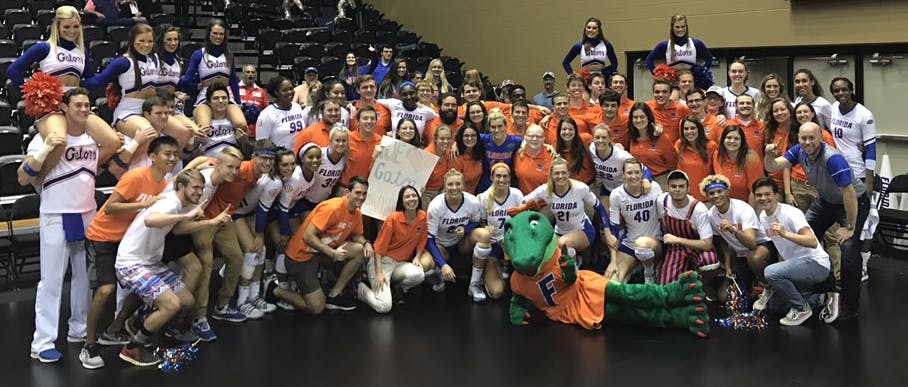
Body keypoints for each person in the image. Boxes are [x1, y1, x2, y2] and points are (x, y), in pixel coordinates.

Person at [18, 88, 102, 363]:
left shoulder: (94, 136)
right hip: (57, 212)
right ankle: (41, 342)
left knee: (82, 277)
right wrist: (44, 150)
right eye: (77, 105)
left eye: (87, 105)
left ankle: (78, 328)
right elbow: (22, 177)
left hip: (86, 212)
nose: (84, 109)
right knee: (52, 280)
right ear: (64, 107)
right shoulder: (47, 134)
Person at [79, 136, 179, 369]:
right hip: (102, 237)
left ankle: (115, 329)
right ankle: (89, 345)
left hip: (127, 243)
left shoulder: (165, 184)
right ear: (152, 156)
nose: (172, 158)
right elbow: (112, 206)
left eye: (175, 154)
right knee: (105, 290)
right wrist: (143, 204)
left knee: (141, 285)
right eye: (167, 153)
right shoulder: (136, 176)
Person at [115, 169, 230, 366]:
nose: (199, 192)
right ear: (180, 187)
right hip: (131, 263)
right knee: (171, 305)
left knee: (186, 301)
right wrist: (186, 217)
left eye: (202, 188)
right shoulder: (169, 202)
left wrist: (211, 222)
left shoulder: (180, 206)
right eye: (195, 187)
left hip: (150, 263)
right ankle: (133, 348)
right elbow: (150, 220)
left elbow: (177, 230)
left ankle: (136, 322)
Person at [764, 122, 869, 321]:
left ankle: (849, 304)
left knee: (848, 249)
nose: (807, 142)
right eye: (804, 138)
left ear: (821, 138)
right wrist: (769, 153)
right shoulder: (799, 150)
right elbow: (773, 166)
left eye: (812, 138)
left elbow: (849, 194)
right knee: (806, 240)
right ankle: (826, 292)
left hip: (852, 202)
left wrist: (850, 227)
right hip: (826, 201)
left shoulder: (833, 159)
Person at [6, 6, 122, 172]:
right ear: (57, 27)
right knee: (59, 142)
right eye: (66, 26)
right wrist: (31, 93)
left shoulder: (82, 52)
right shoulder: (44, 48)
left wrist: (113, 72)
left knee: (113, 142)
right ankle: (44, 178)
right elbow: (13, 70)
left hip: (77, 105)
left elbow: (91, 81)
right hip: (52, 107)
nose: (71, 31)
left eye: (75, 26)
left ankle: (80, 171)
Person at [267, 177, 373, 313]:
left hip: (321, 253)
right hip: (300, 257)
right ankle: (274, 290)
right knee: (317, 308)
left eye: (364, 193)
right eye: (358, 193)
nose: (361, 197)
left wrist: (366, 243)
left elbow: (356, 234)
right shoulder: (332, 208)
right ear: (347, 192)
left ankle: (334, 295)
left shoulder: (357, 213)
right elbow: (308, 236)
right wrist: (332, 253)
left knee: (360, 251)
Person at [752, 177, 836, 326]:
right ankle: (822, 297)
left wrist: (785, 234)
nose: (763, 198)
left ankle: (802, 308)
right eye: (759, 195)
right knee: (776, 305)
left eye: (767, 194)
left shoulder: (791, 213)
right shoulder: (764, 217)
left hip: (816, 264)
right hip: (797, 265)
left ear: (775, 194)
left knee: (770, 272)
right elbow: (780, 246)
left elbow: (811, 241)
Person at [511, 157, 611, 267]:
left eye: (563, 173)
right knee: (546, 252)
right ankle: (574, 259)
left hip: (583, 230)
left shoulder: (580, 188)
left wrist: (607, 230)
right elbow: (523, 200)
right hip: (559, 231)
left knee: (562, 244)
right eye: (556, 173)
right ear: (551, 175)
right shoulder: (545, 190)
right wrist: (523, 207)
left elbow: (599, 206)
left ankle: (574, 267)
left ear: (569, 173)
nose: (560, 176)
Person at [700, 174, 777, 306]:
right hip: (740, 255)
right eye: (711, 193)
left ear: (727, 192)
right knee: (725, 297)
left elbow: (752, 244)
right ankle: (752, 283)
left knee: (755, 257)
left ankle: (769, 287)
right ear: (707, 197)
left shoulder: (742, 209)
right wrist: (728, 266)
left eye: (720, 191)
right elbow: (723, 242)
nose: (716, 195)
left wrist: (733, 230)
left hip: (762, 247)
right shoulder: (711, 215)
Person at [357, 186, 432, 312]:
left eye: (414, 196)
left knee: (419, 274)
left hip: (400, 264)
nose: (411, 199)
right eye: (407, 197)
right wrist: (379, 273)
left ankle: (393, 287)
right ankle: (359, 288)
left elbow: (422, 240)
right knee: (384, 307)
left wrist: (417, 257)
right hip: (381, 263)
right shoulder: (393, 219)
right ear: (401, 201)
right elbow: (379, 249)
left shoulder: (422, 216)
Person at [232, 143, 286, 318]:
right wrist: (258, 235)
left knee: (260, 252)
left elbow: (262, 209)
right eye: (265, 158)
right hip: (235, 213)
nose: (268, 162)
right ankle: (242, 301)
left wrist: (259, 236)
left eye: (271, 159)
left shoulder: (273, 180)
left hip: (248, 212)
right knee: (252, 251)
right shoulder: (245, 169)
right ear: (254, 156)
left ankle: (254, 296)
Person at [424, 170, 489, 299]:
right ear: (444, 186)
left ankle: (474, 284)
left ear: (463, 185)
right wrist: (443, 265)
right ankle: (438, 276)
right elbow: (429, 239)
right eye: (450, 184)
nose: (454, 188)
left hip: (461, 244)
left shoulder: (472, 201)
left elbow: (476, 222)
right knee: (425, 264)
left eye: (458, 184)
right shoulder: (436, 206)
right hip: (441, 246)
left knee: (484, 234)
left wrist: (466, 229)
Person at [181, 19, 248, 134]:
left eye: (221, 34)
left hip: (226, 95)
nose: (218, 37)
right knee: (204, 128)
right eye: (215, 33)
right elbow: (185, 80)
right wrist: (196, 87)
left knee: (241, 124)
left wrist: (238, 101)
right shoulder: (199, 54)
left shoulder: (229, 55)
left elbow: (232, 80)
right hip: (205, 96)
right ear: (209, 34)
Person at [271, 145, 321, 291]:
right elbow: (283, 206)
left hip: (291, 208)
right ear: (302, 159)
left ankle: (293, 279)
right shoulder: (294, 179)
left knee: (297, 243)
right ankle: (281, 285)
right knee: (283, 245)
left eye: (318, 157)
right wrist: (285, 231)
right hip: (278, 210)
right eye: (310, 157)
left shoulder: (312, 174)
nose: (315, 160)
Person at [606, 158, 664, 283]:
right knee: (612, 281)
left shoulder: (654, 188)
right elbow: (614, 230)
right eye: (629, 173)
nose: (633, 176)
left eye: (637, 172)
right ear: (623, 174)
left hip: (654, 241)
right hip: (630, 243)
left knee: (642, 244)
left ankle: (649, 272)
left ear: (642, 174)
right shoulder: (617, 194)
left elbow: (664, 217)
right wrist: (613, 261)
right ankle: (637, 266)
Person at [656, 170, 718, 284]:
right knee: (666, 286)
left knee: (710, 261)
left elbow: (707, 244)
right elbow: (663, 225)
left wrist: (678, 240)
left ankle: (706, 284)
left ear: (688, 188)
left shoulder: (698, 208)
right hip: (675, 248)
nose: (677, 189)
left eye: (681, 186)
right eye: (673, 186)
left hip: (697, 247)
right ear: (668, 188)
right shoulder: (662, 201)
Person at [476, 163, 523, 294]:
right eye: (498, 176)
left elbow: (522, 222)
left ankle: (507, 266)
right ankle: (490, 268)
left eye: (505, 176)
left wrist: (511, 237)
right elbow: (481, 223)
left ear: (509, 178)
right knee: (497, 292)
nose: (502, 180)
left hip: (512, 245)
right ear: (491, 177)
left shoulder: (517, 195)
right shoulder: (483, 198)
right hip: (493, 246)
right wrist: (486, 230)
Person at [829, 77, 876, 193]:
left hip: (856, 170)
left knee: (856, 209)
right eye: (836, 90)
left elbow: (871, 149)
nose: (840, 93)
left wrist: (869, 181)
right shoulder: (834, 107)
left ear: (851, 91)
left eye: (844, 89)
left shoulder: (864, 114)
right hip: (837, 168)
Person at [589, 124, 652, 210]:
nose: (600, 140)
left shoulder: (621, 156)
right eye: (597, 137)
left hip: (624, 188)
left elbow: (644, 169)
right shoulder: (592, 148)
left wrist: (646, 180)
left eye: (604, 137)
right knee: (604, 215)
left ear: (609, 139)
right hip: (607, 188)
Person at [627, 102, 676, 187]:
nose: (638, 120)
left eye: (642, 117)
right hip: (639, 181)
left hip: (660, 180)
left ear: (648, 118)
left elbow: (672, 163)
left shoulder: (661, 137)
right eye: (635, 117)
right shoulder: (631, 137)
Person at [645, 14, 713, 75]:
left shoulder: (696, 43)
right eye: (677, 27)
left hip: (691, 81)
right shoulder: (664, 45)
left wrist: (703, 73)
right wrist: (658, 75)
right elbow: (649, 59)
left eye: (683, 26)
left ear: (686, 27)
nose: (680, 29)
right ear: (672, 28)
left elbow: (709, 57)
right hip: (673, 82)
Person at [712, 125, 764, 204]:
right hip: (724, 204)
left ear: (742, 141)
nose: (732, 141)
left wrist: (749, 212)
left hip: (746, 204)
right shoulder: (717, 155)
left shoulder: (751, 159)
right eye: (729, 138)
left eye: (736, 139)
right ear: (723, 139)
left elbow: (754, 190)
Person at [256, 75, 306, 150]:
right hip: (279, 158)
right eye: (285, 90)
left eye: (291, 88)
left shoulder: (297, 107)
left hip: (298, 156)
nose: (289, 92)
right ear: (276, 92)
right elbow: (261, 144)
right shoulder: (267, 114)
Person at [478, 110, 523, 191]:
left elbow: (532, 142)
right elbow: (466, 136)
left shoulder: (515, 141)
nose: (497, 130)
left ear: (506, 126)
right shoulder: (484, 139)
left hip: (506, 186)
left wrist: (547, 146)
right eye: (493, 127)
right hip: (486, 186)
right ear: (489, 128)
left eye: (500, 126)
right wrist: (455, 144)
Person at [198, 84, 247, 158]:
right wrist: (203, 145)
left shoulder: (236, 123)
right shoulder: (203, 124)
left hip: (232, 165)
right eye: (216, 98)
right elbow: (191, 156)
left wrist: (243, 141)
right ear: (209, 102)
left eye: (224, 98)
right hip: (209, 165)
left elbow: (248, 154)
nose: (221, 101)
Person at [675, 116, 717, 202]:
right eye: (686, 129)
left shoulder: (711, 146)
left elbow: (717, 173)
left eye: (693, 128)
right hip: (686, 199)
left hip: (707, 199)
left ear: (699, 129)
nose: (689, 131)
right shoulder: (679, 145)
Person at [341, 107, 381, 187]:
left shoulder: (381, 142)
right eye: (365, 118)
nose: (369, 121)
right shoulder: (347, 139)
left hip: (371, 190)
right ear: (357, 122)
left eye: (372, 118)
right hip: (347, 189)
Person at [646, 78, 691, 144]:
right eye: (657, 92)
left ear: (670, 93)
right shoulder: (646, 107)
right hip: (653, 150)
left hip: (675, 151)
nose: (660, 95)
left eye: (664, 92)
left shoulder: (681, 109)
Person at [513, 125, 555, 195]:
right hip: (524, 202)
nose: (534, 139)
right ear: (525, 137)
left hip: (545, 202)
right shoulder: (518, 154)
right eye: (531, 136)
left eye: (538, 136)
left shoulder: (552, 156)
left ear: (544, 139)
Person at [423, 125, 457, 205]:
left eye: (448, 138)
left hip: (443, 190)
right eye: (442, 138)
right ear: (435, 139)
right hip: (426, 192)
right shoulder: (426, 155)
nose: (445, 141)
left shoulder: (450, 153)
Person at [726, 94, 766, 160]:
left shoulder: (762, 126)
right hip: (734, 168)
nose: (745, 105)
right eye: (742, 103)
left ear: (753, 106)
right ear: (736, 106)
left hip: (756, 169)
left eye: (748, 103)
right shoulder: (727, 125)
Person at [555, 117, 594, 183]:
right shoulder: (554, 147)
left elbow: (601, 142)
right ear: (559, 131)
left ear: (575, 131)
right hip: (569, 187)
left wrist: (615, 145)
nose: (567, 132)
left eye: (570, 129)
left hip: (590, 184)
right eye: (564, 129)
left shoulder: (586, 139)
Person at [455, 125, 484, 194]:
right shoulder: (456, 157)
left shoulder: (480, 152)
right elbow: (455, 185)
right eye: (466, 136)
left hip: (476, 194)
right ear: (461, 137)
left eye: (473, 135)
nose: (470, 138)